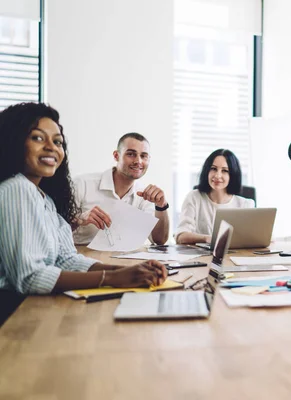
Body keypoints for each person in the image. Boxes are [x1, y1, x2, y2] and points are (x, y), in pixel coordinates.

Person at [0, 103, 167, 324]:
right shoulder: (16, 189)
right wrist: (114, 277)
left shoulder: (44, 198)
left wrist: (127, 270)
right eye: (38, 138)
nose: (51, 147)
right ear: (15, 141)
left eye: (57, 141)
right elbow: (30, 277)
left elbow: (66, 259)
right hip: (15, 313)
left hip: (36, 303)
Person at [72, 133, 170, 245]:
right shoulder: (82, 184)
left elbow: (159, 240)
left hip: (126, 260)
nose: (138, 161)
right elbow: (55, 231)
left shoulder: (145, 195)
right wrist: (80, 220)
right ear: (116, 156)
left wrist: (162, 206)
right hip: (84, 257)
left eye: (143, 156)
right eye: (131, 154)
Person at [175, 149, 254, 244]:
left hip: (234, 256)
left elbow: (256, 237)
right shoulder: (194, 197)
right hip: (200, 257)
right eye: (213, 169)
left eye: (224, 171)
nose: (217, 175)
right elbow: (180, 236)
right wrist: (207, 238)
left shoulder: (245, 204)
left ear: (232, 175)